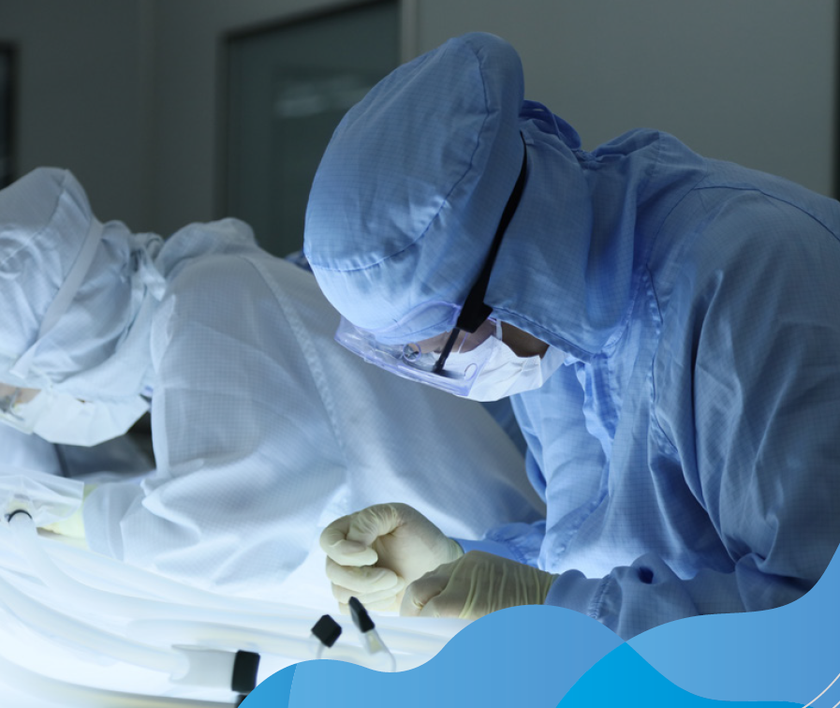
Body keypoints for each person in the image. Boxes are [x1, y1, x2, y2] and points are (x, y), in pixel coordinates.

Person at [303, 32, 840, 638]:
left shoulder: (751, 279)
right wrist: (458, 566)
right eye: (404, 352)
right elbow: (591, 554)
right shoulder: (548, 328)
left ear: (517, 261)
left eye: (441, 342)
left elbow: (811, 629)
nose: (436, 363)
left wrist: (546, 605)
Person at [0, 167, 544, 600]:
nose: (20, 409)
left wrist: (65, 512)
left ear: (68, 333)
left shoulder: (209, 299)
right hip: (450, 588)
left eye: (11, 393)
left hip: (477, 591)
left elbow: (222, 534)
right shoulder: (207, 297)